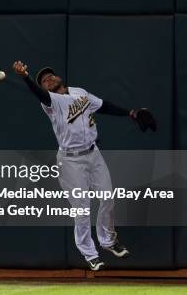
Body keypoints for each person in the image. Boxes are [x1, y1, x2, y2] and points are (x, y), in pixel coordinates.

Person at [12, 61, 156, 271]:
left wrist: (131, 113)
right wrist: (26, 77)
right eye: (43, 80)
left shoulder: (80, 92)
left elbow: (103, 105)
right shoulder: (51, 101)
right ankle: (90, 254)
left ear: (59, 77)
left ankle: (108, 241)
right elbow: (40, 94)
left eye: (50, 75)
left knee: (108, 198)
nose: (48, 79)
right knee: (82, 210)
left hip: (93, 153)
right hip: (70, 161)